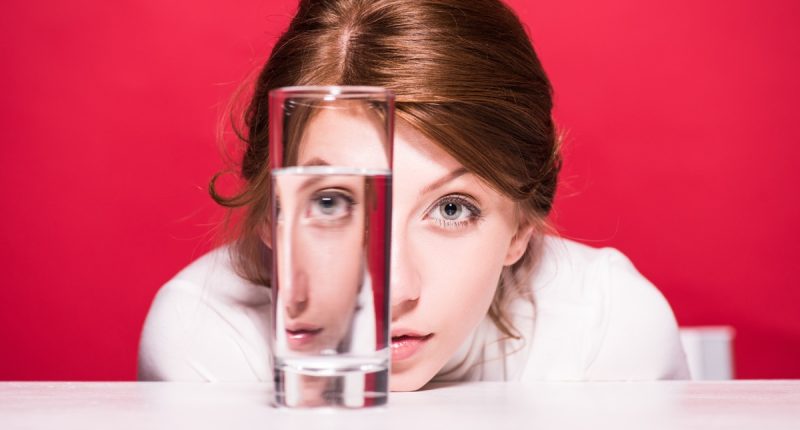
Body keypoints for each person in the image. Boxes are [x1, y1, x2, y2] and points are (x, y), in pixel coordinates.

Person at [138, 0, 690, 390]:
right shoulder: (204, 336)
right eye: (331, 202)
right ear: (268, 216)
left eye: (452, 209)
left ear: (521, 229)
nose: (392, 288)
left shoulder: (607, 324)